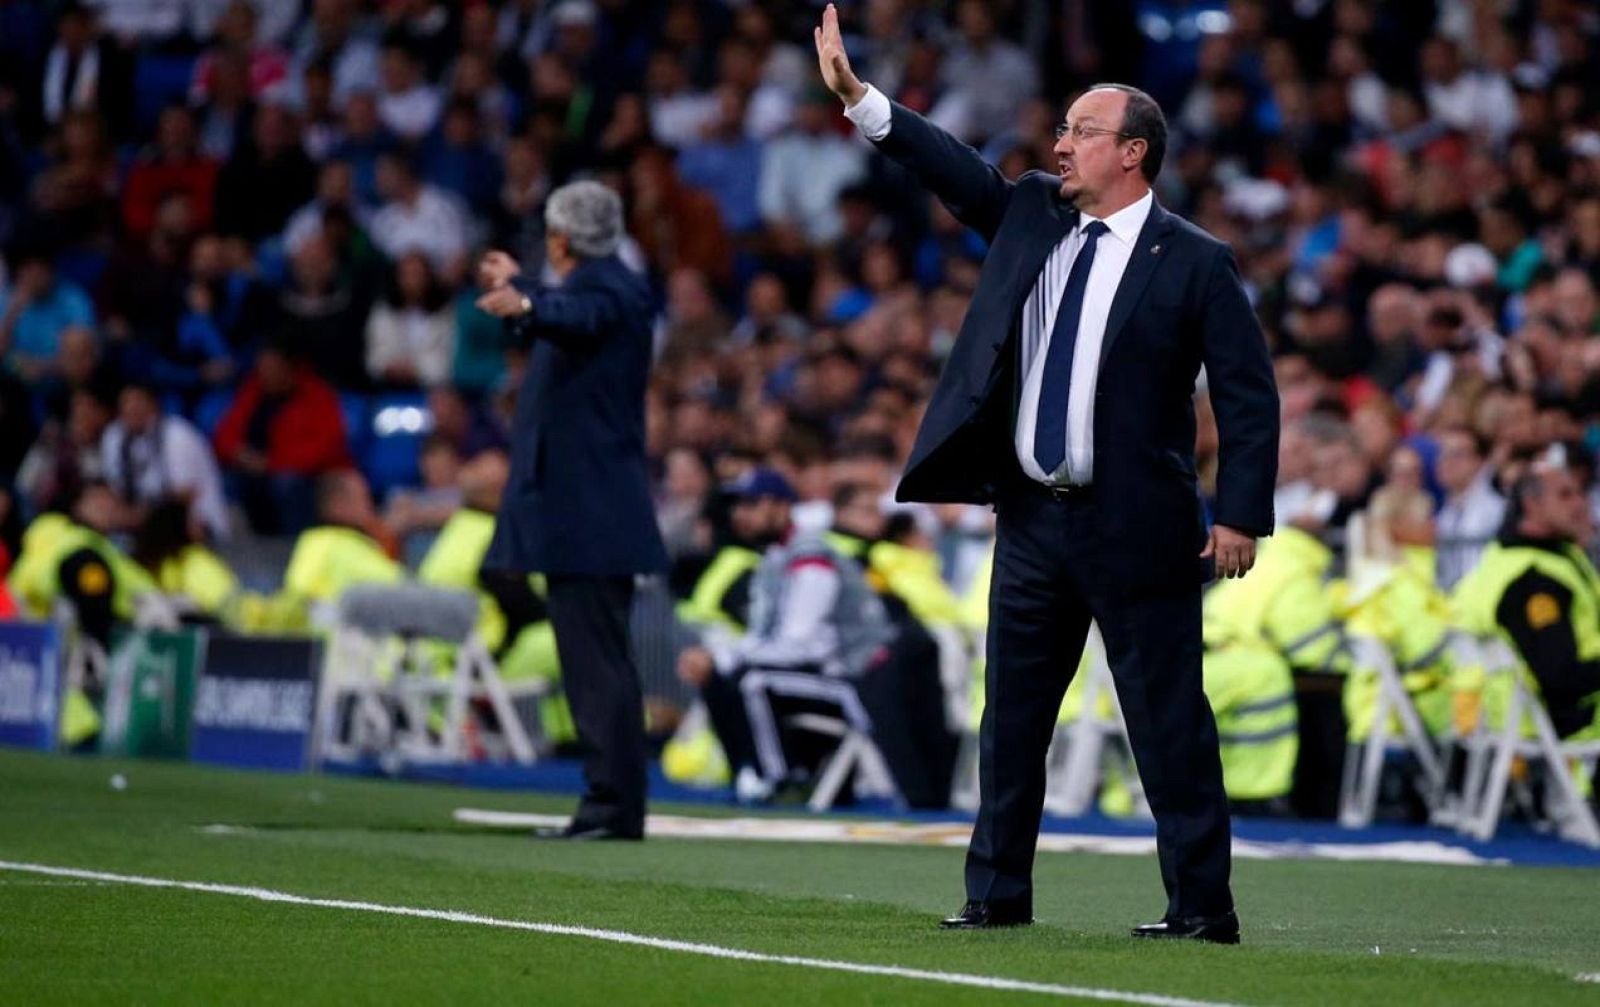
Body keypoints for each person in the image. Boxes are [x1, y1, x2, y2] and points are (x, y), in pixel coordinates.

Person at [815, 5, 1278, 941]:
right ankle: (996, 894)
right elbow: (951, 172)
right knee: (1011, 718)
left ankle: (1202, 906)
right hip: (1031, 518)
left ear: (1134, 153)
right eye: (1063, 128)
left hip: (1139, 522)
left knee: (1167, 722)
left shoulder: (1194, 262)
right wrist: (866, 102)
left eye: (1082, 131)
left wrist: (1240, 515)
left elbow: (1247, 395)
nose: (1060, 144)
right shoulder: (1031, 213)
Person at [475, 180, 669, 841]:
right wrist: (527, 284)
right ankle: (610, 802)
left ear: (561, 240)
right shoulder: (600, 286)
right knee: (594, 664)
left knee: (597, 667)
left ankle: (613, 807)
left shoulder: (611, 289)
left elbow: (578, 312)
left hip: (591, 518)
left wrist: (528, 295)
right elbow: (568, 306)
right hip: (586, 517)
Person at [675, 468, 895, 804]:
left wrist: (723, 657)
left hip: (851, 680)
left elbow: (799, 644)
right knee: (720, 675)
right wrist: (716, 660)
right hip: (816, 676)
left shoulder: (810, 556)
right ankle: (746, 774)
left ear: (780, 507)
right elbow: (763, 637)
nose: (740, 515)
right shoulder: (774, 558)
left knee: (753, 681)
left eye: (751, 504)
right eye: (737, 506)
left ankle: (782, 779)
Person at [1452, 456, 1600, 743]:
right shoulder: (1533, 580)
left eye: (1580, 493)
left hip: (1511, 724)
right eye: (1565, 495)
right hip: (1566, 725)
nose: (1580, 504)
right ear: (1532, 505)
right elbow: (1559, 677)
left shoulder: (1511, 560)